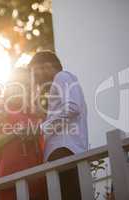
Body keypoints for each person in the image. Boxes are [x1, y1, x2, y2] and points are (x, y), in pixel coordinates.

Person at [28, 50, 88, 200]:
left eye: (35, 73)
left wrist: (41, 129)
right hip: (64, 151)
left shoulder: (62, 77)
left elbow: (72, 108)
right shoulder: (61, 82)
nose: (35, 79)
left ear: (46, 66)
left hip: (63, 151)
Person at [0, 68, 47, 200]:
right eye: (19, 84)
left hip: (42, 183)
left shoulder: (38, 114)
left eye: (27, 85)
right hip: (12, 182)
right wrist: (16, 133)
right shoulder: (0, 108)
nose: (23, 88)